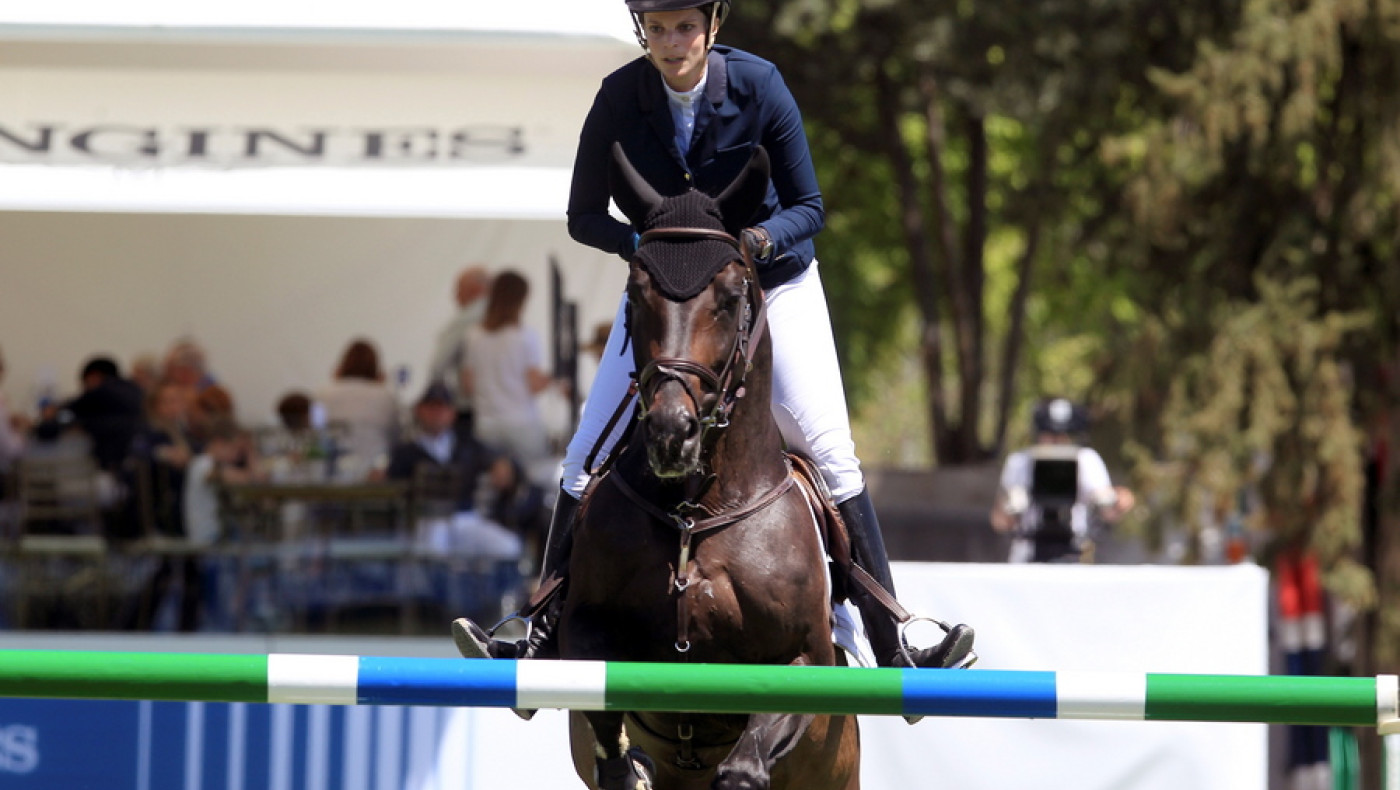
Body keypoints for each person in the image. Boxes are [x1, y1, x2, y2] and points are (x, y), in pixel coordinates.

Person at [453, 0, 975, 678]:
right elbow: (583, 216)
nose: (672, 45)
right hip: (671, 295)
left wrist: (754, 242)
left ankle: (895, 635)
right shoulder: (619, 97)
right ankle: (540, 625)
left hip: (770, 285)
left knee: (831, 450)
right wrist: (640, 244)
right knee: (584, 453)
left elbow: (810, 207)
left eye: (685, 28)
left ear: (714, 27)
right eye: (658, 29)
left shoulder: (761, 85)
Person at [380, 383, 524, 561]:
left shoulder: (467, 445)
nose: (437, 414)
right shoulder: (406, 451)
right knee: (433, 549)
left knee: (508, 546)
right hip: (426, 521)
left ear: (452, 413)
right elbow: (392, 487)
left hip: (463, 518)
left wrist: (502, 464)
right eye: (431, 407)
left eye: (442, 408)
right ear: (419, 410)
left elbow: (496, 458)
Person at [990, 398, 1136, 563]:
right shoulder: (1020, 462)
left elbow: (1108, 511)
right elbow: (999, 522)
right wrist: (1011, 505)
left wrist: (1117, 500)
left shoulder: (1086, 460)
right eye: (1050, 434)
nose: (1056, 440)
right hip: (1028, 553)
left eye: (1063, 435)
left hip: (1074, 553)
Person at [462, 270, 558, 479]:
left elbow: (468, 384)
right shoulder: (525, 336)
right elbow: (533, 384)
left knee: (490, 482)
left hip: (486, 422)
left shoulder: (474, 335)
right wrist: (553, 379)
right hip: (522, 422)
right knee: (531, 479)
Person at [316, 339, 400, 476]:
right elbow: (396, 438)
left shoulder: (322, 394)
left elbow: (315, 434)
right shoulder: (386, 397)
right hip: (373, 473)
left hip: (331, 472)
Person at [427, 265, 493, 440]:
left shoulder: (468, 318)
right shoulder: (508, 320)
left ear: (475, 290)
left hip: (470, 409)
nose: (455, 296)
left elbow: (438, 365)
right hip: (504, 410)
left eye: (459, 289)